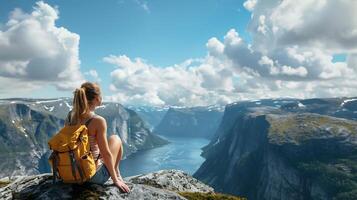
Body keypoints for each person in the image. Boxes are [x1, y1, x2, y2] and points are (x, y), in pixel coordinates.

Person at [64, 81, 130, 193]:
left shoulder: (71, 116)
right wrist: (115, 180)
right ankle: (117, 174)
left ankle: (116, 172)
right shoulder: (97, 120)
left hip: (72, 173)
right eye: (101, 95)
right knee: (115, 139)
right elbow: (106, 153)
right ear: (96, 98)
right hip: (93, 177)